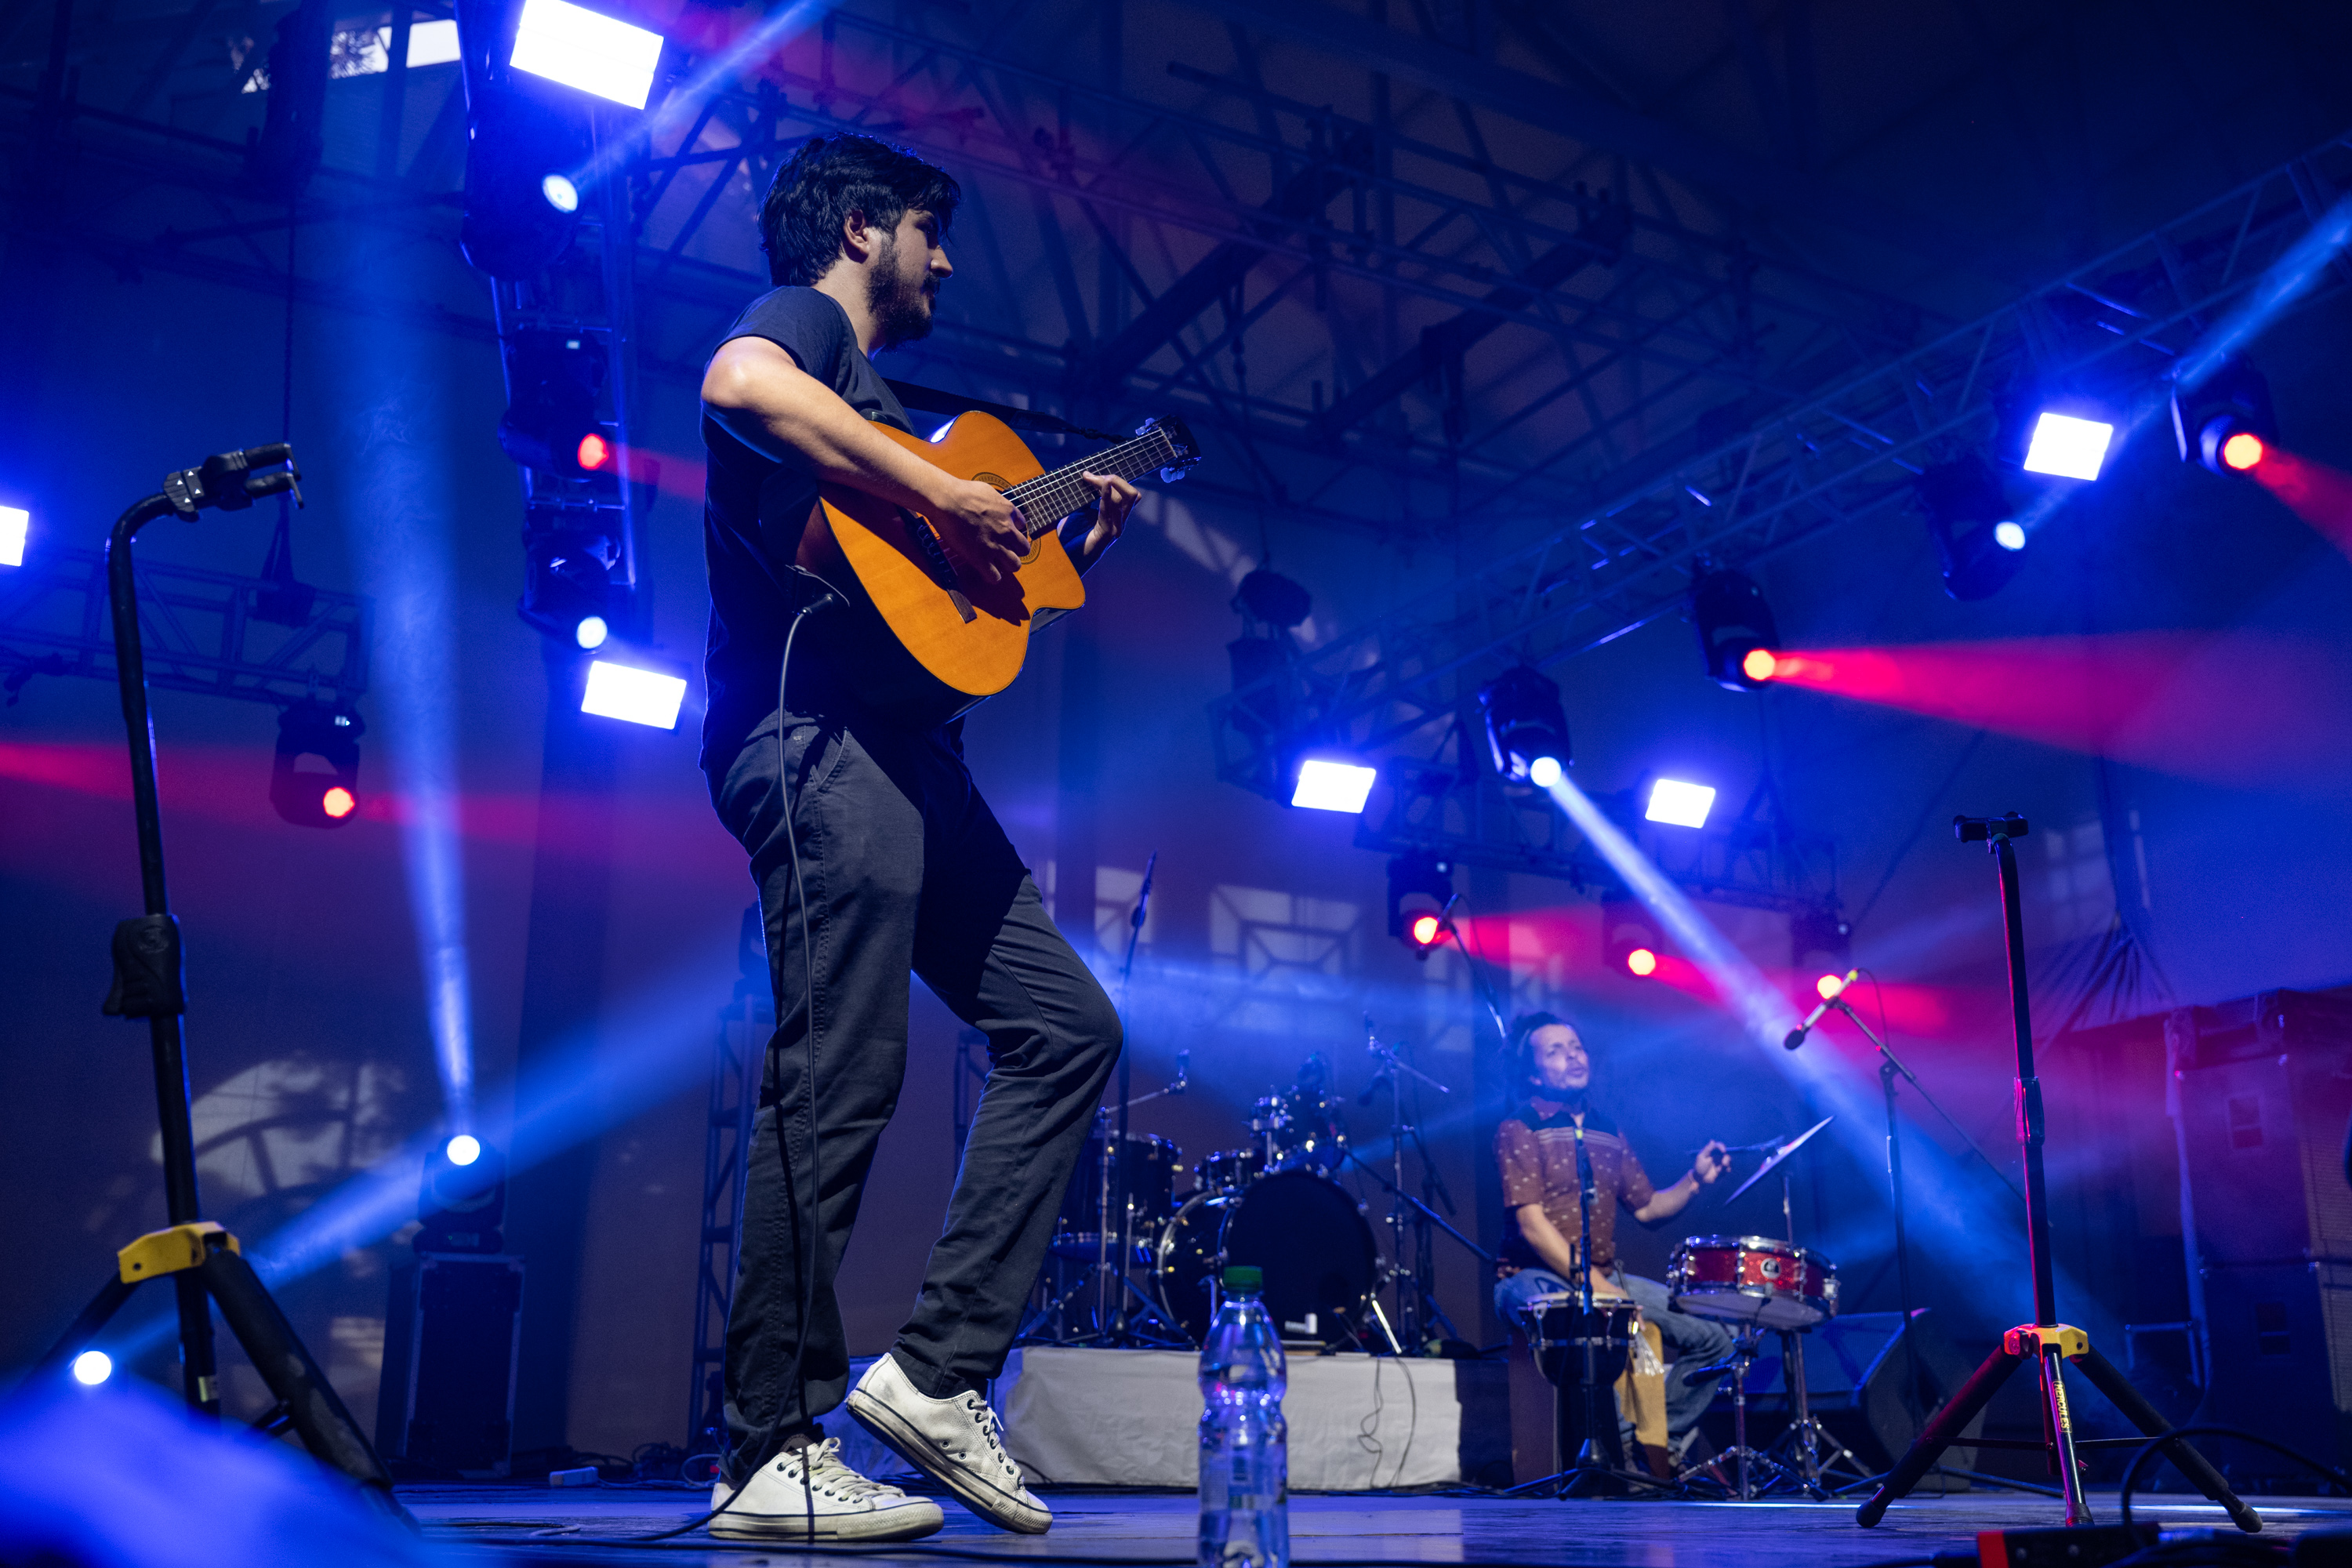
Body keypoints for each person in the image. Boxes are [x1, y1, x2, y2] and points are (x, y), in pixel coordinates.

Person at [695, 132, 1142, 1543]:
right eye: (929, 233)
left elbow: (944, 614)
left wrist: (1052, 542)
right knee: (842, 1071)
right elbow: (735, 383)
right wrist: (946, 492)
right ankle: (766, 1449)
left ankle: (939, 1380)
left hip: (905, 755)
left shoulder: (888, 403)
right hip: (817, 746)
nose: (944, 260)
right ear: (860, 228)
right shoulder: (812, 329)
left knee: (1068, 1025)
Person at [1492, 1012, 1735, 1458]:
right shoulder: (1521, 1127)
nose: (1572, 1056)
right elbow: (1531, 1224)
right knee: (1580, 1318)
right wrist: (1598, 1288)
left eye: (1576, 1047)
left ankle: (1653, 1444)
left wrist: (1695, 1181)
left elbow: (1647, 1207)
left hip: (1603, 1279)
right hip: (1532, 1277)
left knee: (1718, 1340)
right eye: (1555, 1051)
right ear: (1532, 1072)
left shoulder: (1608, 1130)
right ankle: (1611, 1448)